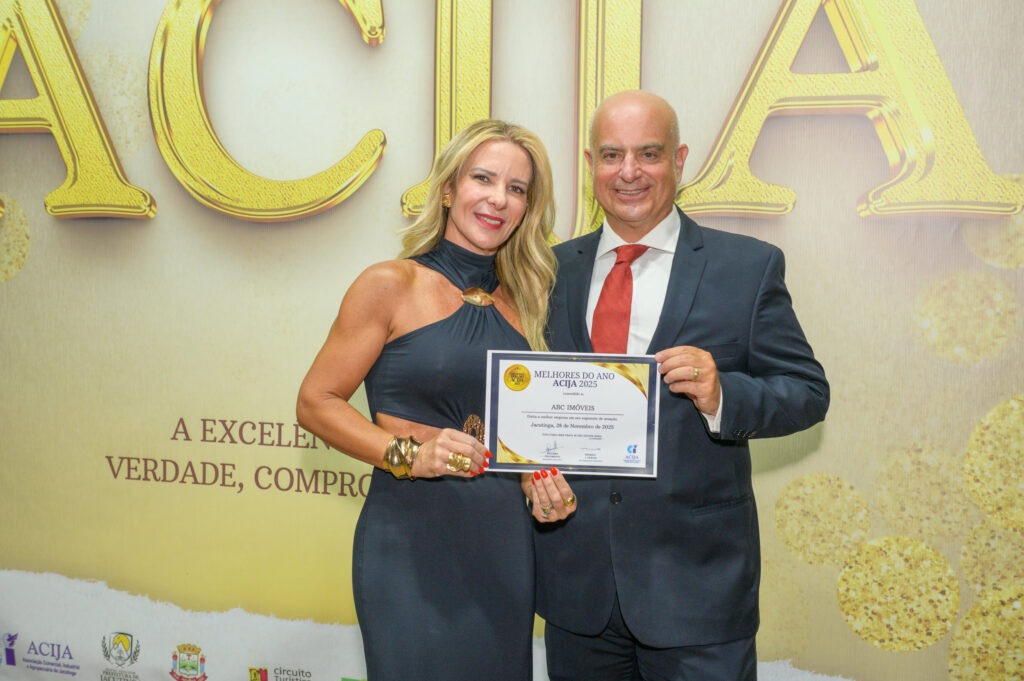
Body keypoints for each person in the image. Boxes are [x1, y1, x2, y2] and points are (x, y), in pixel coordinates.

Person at [534, 90, 829, 680]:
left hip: (698, 591)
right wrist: (531, 472)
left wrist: (724, 396)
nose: (630, 172)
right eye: (612, 155)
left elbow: (806, 391)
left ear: (679, 159)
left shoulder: (747, 267)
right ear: (590, 163)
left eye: (649, 153)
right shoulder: (546, 270)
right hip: (578, 590)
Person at [296, 118, 576, 681]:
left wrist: (541, 480)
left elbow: (521, 433)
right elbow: (316, 401)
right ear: (449, 188)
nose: (498, 199)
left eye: (517, 189)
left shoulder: (532, 302)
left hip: (504, 548)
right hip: (410, 545)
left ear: (527, 207)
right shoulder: (389, 284)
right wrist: (409, 455)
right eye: (483, 179)